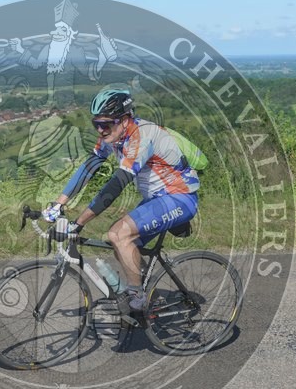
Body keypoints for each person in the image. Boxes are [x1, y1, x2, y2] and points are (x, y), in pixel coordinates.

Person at [42, 89, 201, 314]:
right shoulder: (113, 136)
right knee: (122, 247)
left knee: (118, 234)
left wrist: (79, 222)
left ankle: (137, 298)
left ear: (124, 120)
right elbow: (90, 166)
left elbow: (115, 186)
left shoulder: (141, 138)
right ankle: (150, 296)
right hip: (157, 199)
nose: (100, 130)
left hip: (180, 198)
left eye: (106, 124)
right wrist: (59, 203)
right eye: (96, 124)